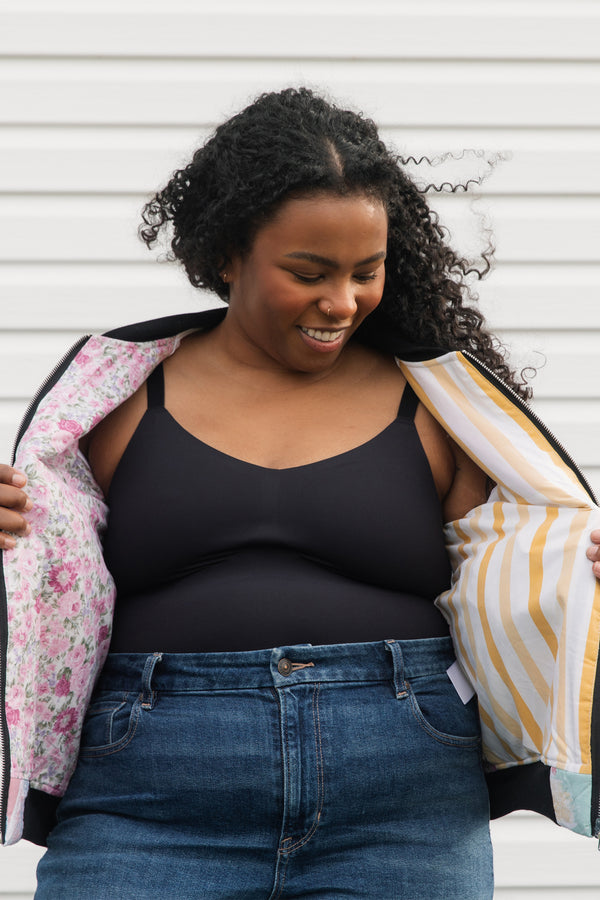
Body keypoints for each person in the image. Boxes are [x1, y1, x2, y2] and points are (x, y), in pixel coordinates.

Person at [1, 87, 599, 899]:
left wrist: (583, 572)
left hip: (402, 805)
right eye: (308, 273)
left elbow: (520, 580)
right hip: (149, 801)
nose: (342, 303)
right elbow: (37, 584)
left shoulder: (444, 408)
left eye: (366, 272)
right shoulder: (109, 403)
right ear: (227, 256)